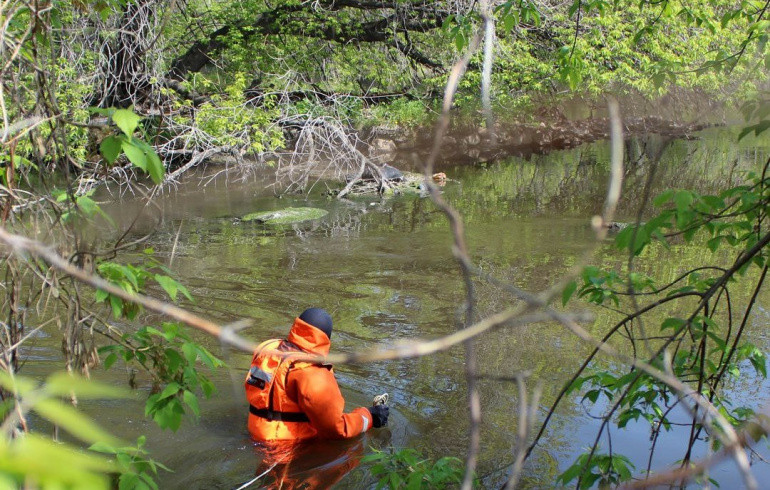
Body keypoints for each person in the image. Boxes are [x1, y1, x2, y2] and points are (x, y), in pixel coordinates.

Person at [245, 307, 389, 441]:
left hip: (256, 431)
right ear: (326, 339)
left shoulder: (267, 348)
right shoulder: (311, 370)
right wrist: (370, 416)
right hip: (287, 447)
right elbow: (336, 429)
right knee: (347, 462)